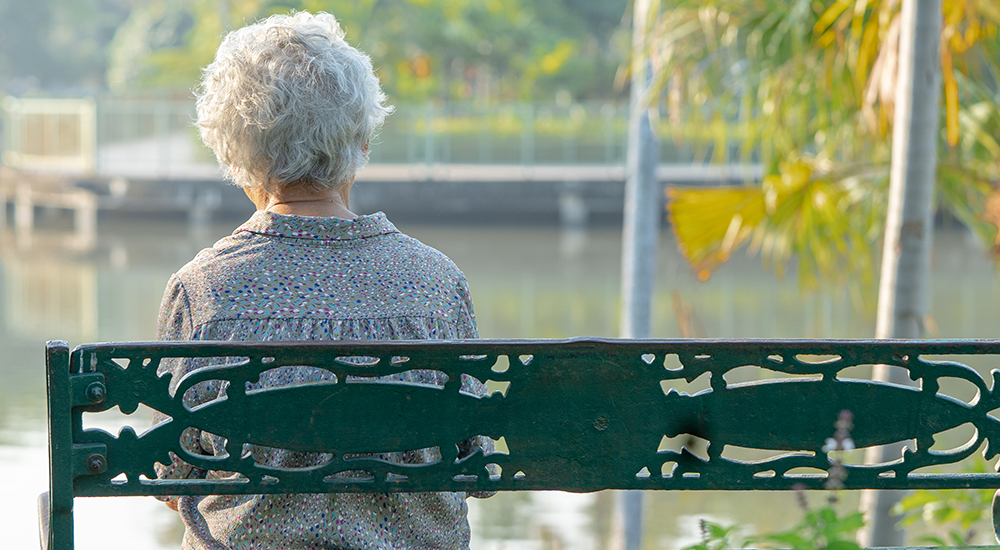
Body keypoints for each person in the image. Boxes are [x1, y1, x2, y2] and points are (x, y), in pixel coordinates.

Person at [154, 11, 490, 550]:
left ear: (234, 151)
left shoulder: (205, 291)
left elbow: (170, 471)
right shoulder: (436, 284)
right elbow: (473, 459)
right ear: (358, 136)